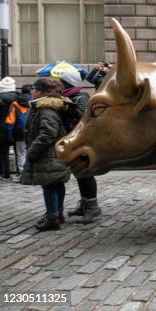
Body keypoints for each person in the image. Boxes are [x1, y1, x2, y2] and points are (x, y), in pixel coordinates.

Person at [20, 78, 71, 231]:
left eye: (34, 89)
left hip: (48, 155)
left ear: (42, 91)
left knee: (49, 185)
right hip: (54, 154)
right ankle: (57, 213)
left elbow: (48, 133)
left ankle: (52, 217)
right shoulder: (47, 106)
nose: (31, 91)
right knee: (56, 183)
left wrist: (32, 151)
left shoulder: (46, 108)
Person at [58, 70, 103, 224]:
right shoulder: (70, 97)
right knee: (79, 173)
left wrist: (67, 108)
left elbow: (85, 118)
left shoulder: (81, 97)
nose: (59, 84)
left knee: (85, 172)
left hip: (83, 141)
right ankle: (85, 204)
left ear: (67, 83)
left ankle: (92, 207)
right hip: (73, 140)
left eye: (61, 82)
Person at [5, 84, 32, 181]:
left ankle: (22, 174)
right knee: (32, 152)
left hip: (20, 132)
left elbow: (10, 121)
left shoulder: (15, 104)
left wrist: (9, 134)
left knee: (21, 153)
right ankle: (31, 174)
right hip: (33, 131)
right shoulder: (35, 101)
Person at [0, 77, 20, 179]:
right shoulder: (19, 97)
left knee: (3, 152)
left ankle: (5, 173)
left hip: (2, 128)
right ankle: (19, 172)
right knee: (19, 151)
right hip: (18, 127)